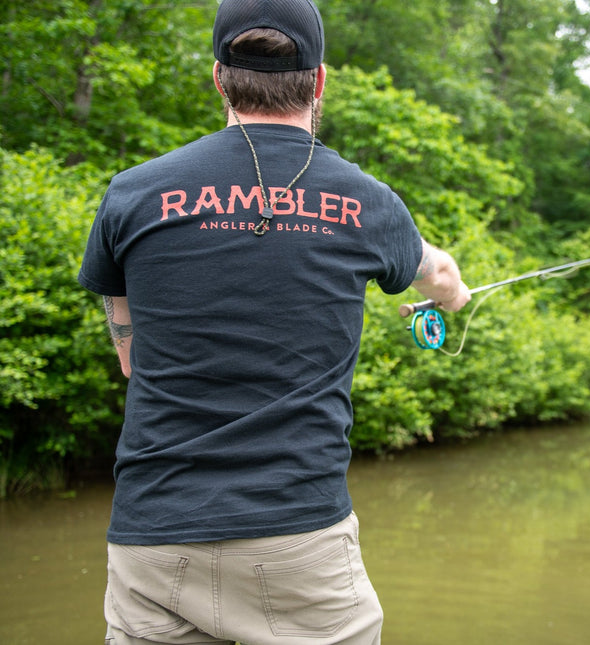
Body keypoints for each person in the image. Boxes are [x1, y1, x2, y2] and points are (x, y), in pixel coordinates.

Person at [77, 0, 470, 643]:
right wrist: (454, 300)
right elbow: (441, 274)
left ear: (218, 77)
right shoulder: (366, 200)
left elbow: (131, 356)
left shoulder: (134, 192)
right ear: (317, 82)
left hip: (152, 534)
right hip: (299, 542)